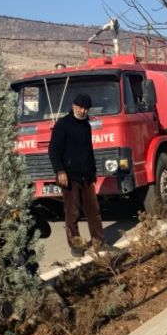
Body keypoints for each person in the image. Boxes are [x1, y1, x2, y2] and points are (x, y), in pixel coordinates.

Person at [48, 93, 109, 257]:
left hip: (86, 175)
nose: (83, 111)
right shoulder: (63, 125)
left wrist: (93, 171)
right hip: (69, 176)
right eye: (81, 107)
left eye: (86, 108)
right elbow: (53, 150)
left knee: (93, 211)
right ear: (74, 106)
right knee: (72, 211)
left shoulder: (86, 125)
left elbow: (89, 151)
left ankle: (99, 242)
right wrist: (60, 171)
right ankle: (75, 245)